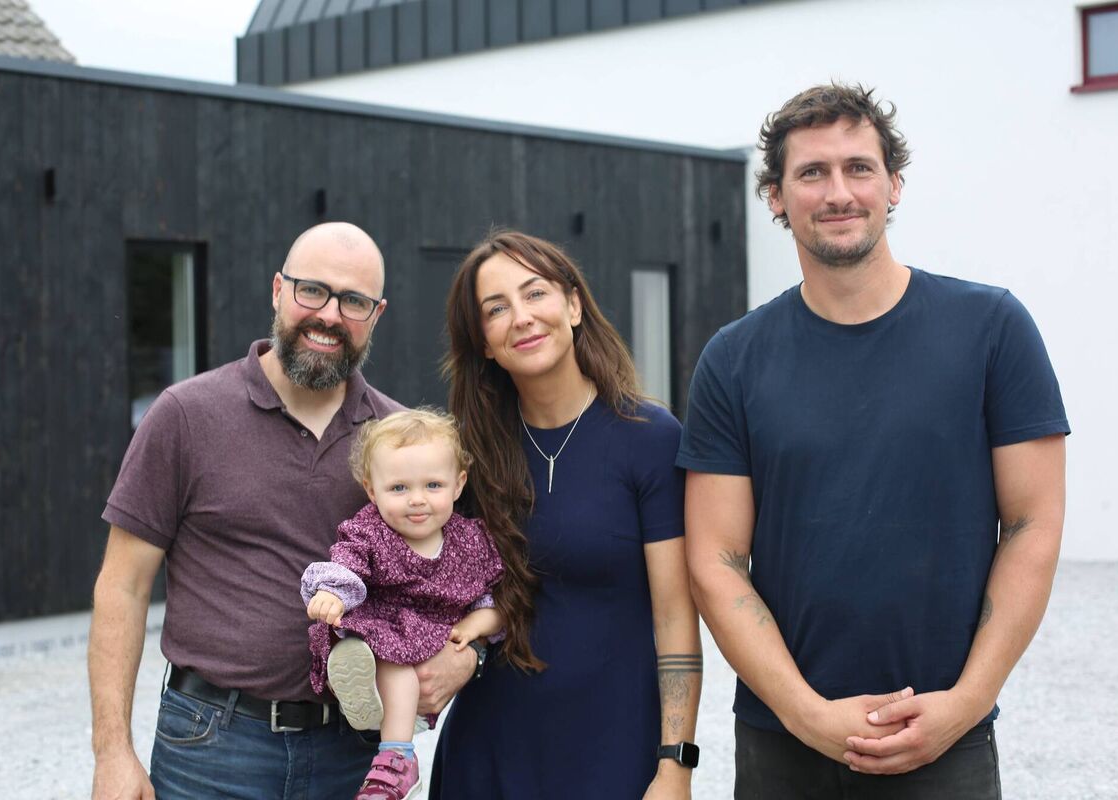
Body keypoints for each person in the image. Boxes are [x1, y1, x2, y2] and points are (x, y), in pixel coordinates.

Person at [679, 83, 1069, 799]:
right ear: (775, 195)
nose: (839, 192)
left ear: (894, 185)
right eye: (812, 172)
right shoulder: (733, 359)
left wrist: (968, 701)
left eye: (858, 168)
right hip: (783, 742)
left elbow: (1032, 525)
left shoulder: (992, 329)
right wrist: (805, 713)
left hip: (943, 734)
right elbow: (716, 559)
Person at [88, 222, 477, 799]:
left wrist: (467, 658)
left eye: (354, 301)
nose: (329, 315)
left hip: (354, 753)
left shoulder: (403, 445)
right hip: (212, 747)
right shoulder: (186, 415)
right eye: (311, 290)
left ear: (376, 316)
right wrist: (112, 751)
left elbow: (466, 567)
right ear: (278, 290)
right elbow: (122, 586)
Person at [430, 230, 703, 799]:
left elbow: (675, 617)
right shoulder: (465, 456)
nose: (522, 317)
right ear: (483, 343)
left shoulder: (649, 438)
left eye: (535, 293)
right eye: (496, 309)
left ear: (574, 306)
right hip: (488, 756)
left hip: (614, 750)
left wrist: (675, 763)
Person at [300, 408, 505, 800]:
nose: (417, 500)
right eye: (398, 488)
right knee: (386, 656)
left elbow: (496, 602)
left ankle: (395, 752)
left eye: (433, 485)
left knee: (403, 665)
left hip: (433, 641)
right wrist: (331, 594)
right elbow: (347, 563)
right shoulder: (370, 531)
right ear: (371, 490)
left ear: (459, 484)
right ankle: (393, 750)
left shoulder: (471, 540)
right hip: (383, 632)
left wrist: (475, 626)